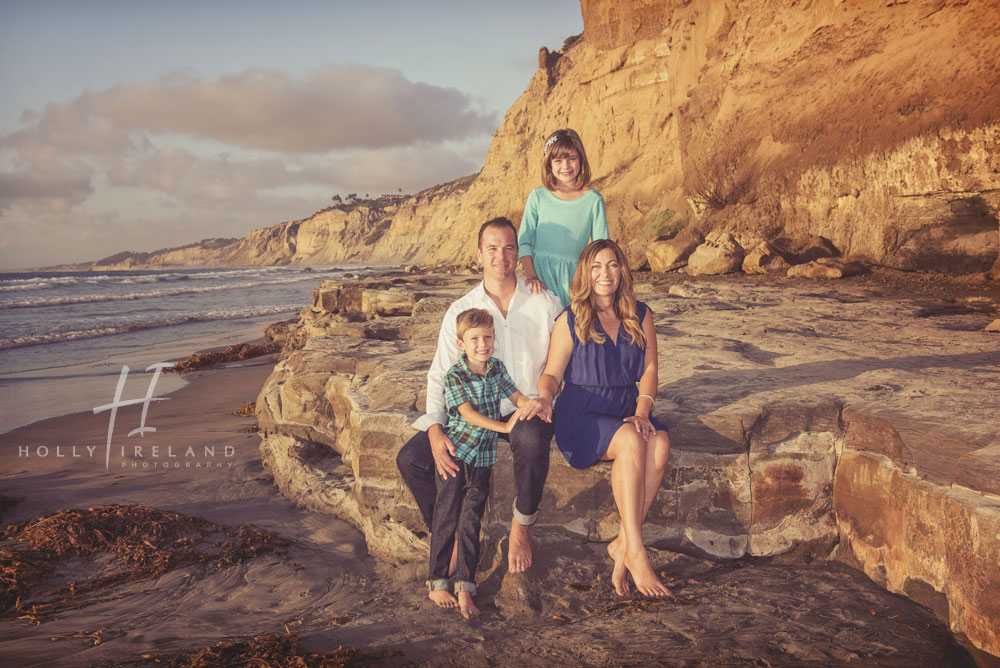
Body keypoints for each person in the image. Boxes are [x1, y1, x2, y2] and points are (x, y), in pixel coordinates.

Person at [397, 217, 563, 577]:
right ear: (479, 255)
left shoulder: (545, 303)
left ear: (518, 254)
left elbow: (563, 360)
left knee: (533, 442)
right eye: (492, 248)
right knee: (411, 460)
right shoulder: (461, 309)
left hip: (527, 406)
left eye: (507, 248)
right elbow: (440, 373)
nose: (500, 256)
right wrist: (435, 429)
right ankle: (450, 531)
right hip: (472, 413)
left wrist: (544, 399)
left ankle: (521, 527)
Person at [536, 239, 672, 597]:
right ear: (585, 273)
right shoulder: (571, 319)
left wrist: (642, 412)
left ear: (621, 271)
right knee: (631, 441)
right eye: (596, 267)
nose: (604, 274)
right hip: (582, 413)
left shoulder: (641, 315)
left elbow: (651, 369)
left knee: (659, 445)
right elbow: (552, 373)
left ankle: (622, 543)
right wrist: (545, 398)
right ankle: (638, 553)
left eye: (611, 265)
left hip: (626, 406)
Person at [427, 308, 531, 618]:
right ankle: (437, 583)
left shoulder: (496, 368)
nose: (482, 344)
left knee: (471, 522)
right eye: (474, 339)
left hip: (483, 459)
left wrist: (530, 407)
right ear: (461, 344)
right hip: (456, 456)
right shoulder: (455, 374)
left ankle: (465, 589)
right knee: (446, 518)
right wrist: (505, 427)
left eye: (487, 337)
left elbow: (514, 395)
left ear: (494, 339)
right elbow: (467, 413)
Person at [518, 128, 610, 307]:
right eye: (558, 161)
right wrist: (531, 277)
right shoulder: (538, 196)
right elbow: (524, 242)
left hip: (575, 283)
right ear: (549, 164)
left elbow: (601, 249)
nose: (565, 166)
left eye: (572, 159)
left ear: (581, 159)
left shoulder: (593, 200)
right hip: (540, 281)